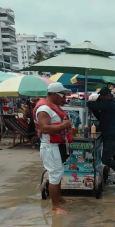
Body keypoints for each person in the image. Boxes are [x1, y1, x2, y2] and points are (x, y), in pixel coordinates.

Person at [34, 82, 72, 215]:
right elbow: (44, 128)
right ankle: (55, 207)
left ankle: (59, 198)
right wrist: (64, 125)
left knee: (59, 172)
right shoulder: (44, 109)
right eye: (63, 95)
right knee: (55, 175)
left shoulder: (54, 106)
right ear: (54, 94)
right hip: (50, 146)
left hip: (57, 145)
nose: (64, 97)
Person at [87, 87, 115, 185]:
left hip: (111, 136)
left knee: (106, 159)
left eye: (102, 95)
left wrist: (91, 102)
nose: (101, 97)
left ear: (108, 95)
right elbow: (99, 115)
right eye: (100, 95)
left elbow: (91, 104)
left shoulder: (109, 104)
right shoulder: (110, 104)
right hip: (113, 135)